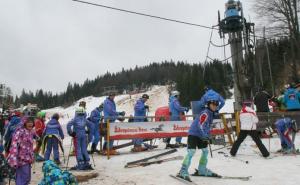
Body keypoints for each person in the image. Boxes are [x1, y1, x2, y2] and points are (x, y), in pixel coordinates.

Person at [177, 98, 219, 181]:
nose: (215, 106)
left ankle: (202, 169)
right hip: (194, 134)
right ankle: (183, 170)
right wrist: (205, 135)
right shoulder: (205, 113)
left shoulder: (211, 113)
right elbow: (201, 124)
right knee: (191, 151)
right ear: (209, 105)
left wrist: (208, 134)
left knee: (205, 151)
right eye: (213, 104)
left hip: (201, 135)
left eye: (216, 105)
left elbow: (207, 126)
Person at [8, 116, 35, 185]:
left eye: (31, 122)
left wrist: (32, 156)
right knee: (23, 177)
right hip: (21, 159)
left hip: (28, 159)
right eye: (28, 122)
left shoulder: (30, 132)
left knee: (27, 177)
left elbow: (30, 147)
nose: (30, 124)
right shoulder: (20, 132)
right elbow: (14, 145)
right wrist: (13, 160)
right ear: (24, 123)